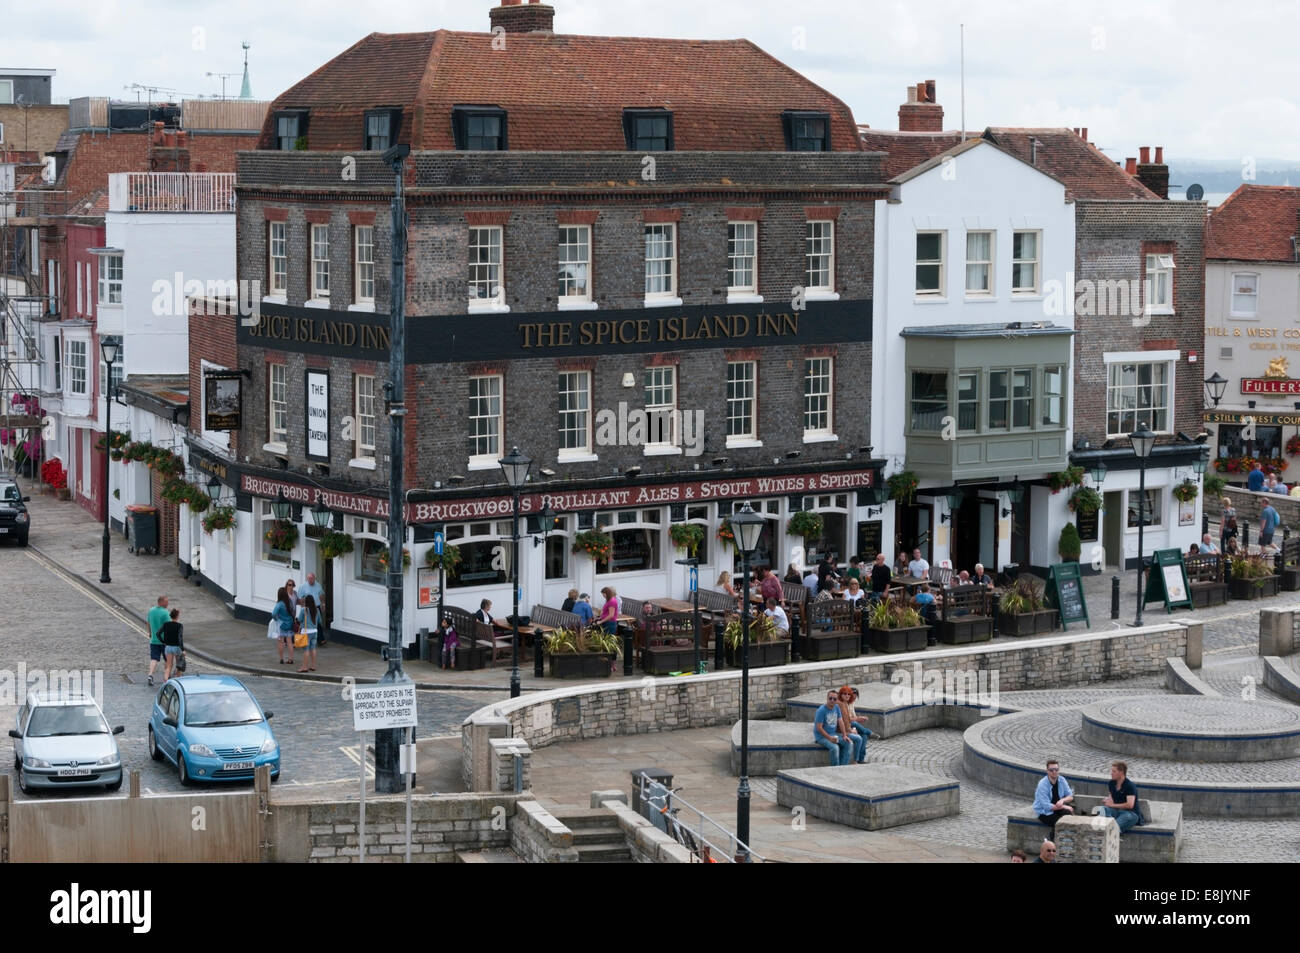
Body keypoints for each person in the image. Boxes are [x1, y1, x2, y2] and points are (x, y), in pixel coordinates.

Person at [1032, 759, 1075, 837]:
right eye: (1051, 770)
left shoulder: (1062, 780)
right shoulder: (1042, 784)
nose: (1054, 772)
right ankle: (1052, 841)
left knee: (1069, 817)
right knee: (1059, 822)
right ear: (1047, 771)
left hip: (1057, 807)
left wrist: (1062, 800)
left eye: (1056, 769)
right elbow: (1046, 806)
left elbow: (1070, 796)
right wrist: (1064, 806)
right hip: (1045, 812)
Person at [813, 690, 852, 766]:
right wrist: (830, 738)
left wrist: (844, 735)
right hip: (821, 737)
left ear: (837, 700)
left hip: (833, 734)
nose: (832, 700)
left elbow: (840, 721)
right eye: (830, 698)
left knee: (848, 742)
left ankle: (843, 767)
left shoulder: (837, 707)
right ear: (827, 698)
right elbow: (819, 728)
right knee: (835, 748)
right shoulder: (821, 710)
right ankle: (835, 769)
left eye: (834, 699)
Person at [1100, 761, 1141, 833]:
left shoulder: (1130, 786)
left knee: (1127, 817)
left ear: (1121, 772)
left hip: (1130, 813)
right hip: (1117, 811)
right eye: (1112, 771)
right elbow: (1111, 799)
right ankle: (1112, 829)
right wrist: (1108, 800)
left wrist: (1112, 805)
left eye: (1114, 771)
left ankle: (1112, 830)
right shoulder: (1111, 783)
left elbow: (1130, 805)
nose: (1111, 773)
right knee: (1102, 809)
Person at [838, 686, 872, 764]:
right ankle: (855, 761)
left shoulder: (847, 704)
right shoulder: (841, 705)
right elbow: (843, 721)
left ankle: (860, 759)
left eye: (848, 694)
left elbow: (850, 719)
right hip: (842, 730)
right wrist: (851, 730)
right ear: (841, 694)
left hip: (849, 726)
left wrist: (856, 722)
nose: (847, 696)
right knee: (858, 738)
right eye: (845, 694)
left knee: (864, 736)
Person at [146, 595, 170, 686]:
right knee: (168, 660)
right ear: (161, 602)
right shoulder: (165, 613)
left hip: (154, 640)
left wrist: (150, 633)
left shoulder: (151, 611)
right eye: (166, 602)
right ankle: (167, 677)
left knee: (154, 659)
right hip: (164, 641)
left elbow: (148, 622)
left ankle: (150, 675)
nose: (168, 603)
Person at [298, 572, 327, 646]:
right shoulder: (303, 586)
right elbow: (301, 598)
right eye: (309, 579)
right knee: (305, 623)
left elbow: (321, 595)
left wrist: (323, 604)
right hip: (307, 608)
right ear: (307, 579)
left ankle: (321, 640)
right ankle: (303, 639)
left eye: (312, 579)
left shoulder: (318, 585)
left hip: (316, 607)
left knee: (318, 623)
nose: (311, 580)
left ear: (315, 579)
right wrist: (302, 607)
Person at [295, 594, 321, 672]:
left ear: (306, 602)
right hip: (314, 631)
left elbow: (299, 619)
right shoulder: (316, 610)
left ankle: (304, 667)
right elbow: (319, 621)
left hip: (306, 632)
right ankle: (313, 666)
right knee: (313, 648)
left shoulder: (304, 610)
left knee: (306, 650)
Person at [272, 587, 296, 665]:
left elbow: (273, 614)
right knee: (290, 642)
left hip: (281, 625)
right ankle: (291, 659)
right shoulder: (290, 602)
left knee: (280, 642)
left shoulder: (279, 604)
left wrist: (276, 619)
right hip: (289, 624)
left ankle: (281, 659)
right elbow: (292, 611)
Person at [160, 608, 184, 681]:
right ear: (177, 616)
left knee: (169, 666)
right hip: (177, 647)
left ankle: (165, 681)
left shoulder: (166, 624)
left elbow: (158, 634)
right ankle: (178, 682)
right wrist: (183, 650)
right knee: (179, 666)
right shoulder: (179, 625)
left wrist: (163, 641)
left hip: (168, 647)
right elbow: (180, 639)